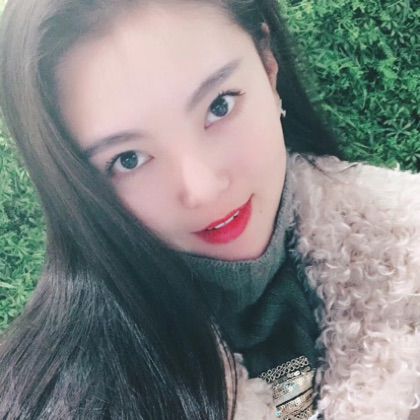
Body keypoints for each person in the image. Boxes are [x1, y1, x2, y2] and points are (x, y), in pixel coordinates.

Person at [0, 0, 419, 419]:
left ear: (268, 65)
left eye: (220, 105)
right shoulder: (64, 399)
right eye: (129, 159)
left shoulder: (407, 244)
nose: (201, 189)